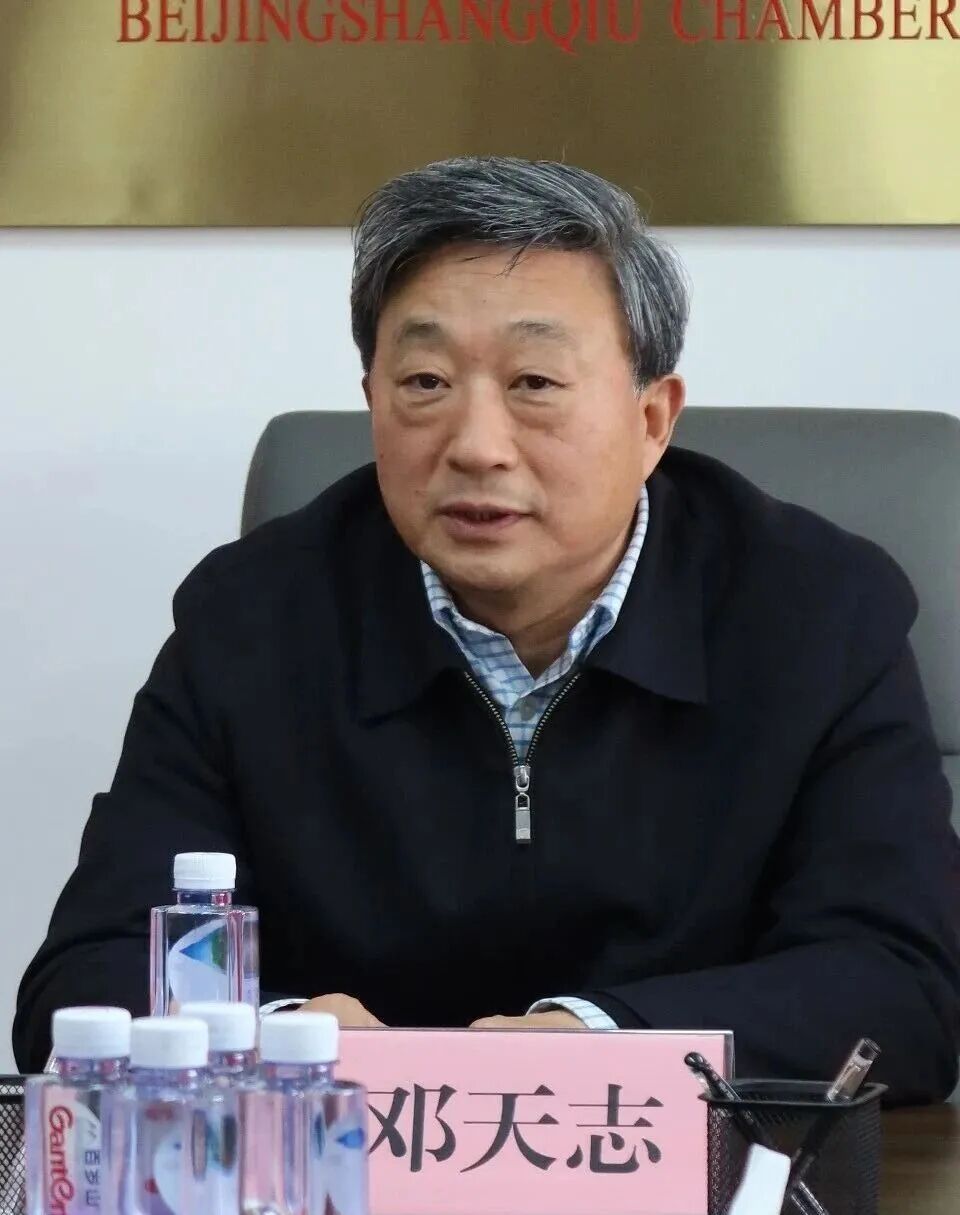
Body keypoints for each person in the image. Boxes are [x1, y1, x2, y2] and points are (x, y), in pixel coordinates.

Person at [14, 157, 960, 1103]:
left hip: (692, 1164)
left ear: (651, 419)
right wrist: (280, 1039)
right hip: (342, 1158)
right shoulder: (249, 621)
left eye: (535, 382)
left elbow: (900, 990)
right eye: (425, 381)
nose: (475, 444)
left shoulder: (818, 614)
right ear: (373, 400)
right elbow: (86, 982)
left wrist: (593, 1045)